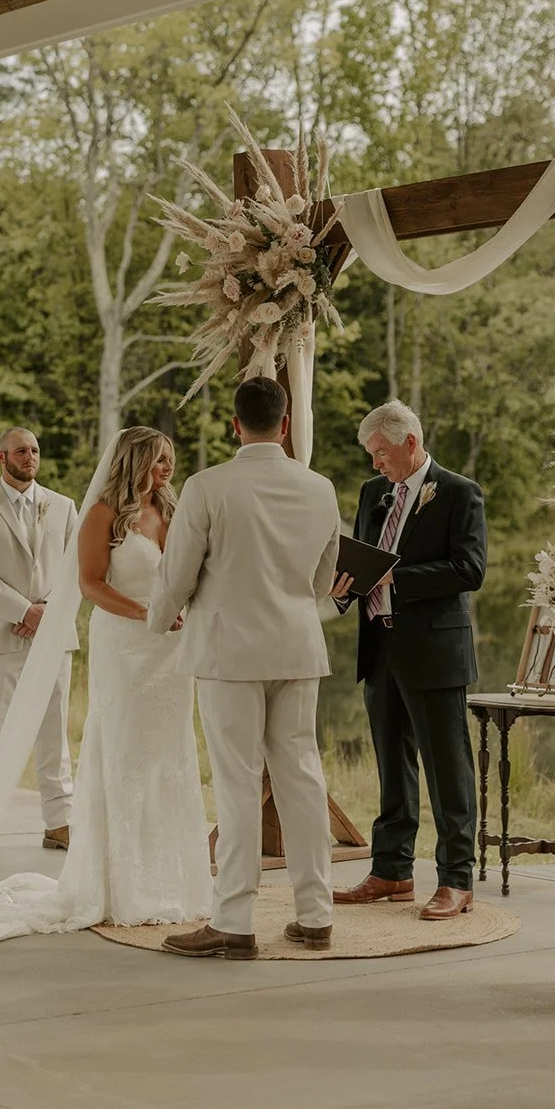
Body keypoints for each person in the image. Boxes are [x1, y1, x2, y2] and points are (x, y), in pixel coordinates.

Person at [0, 426, 211, 943]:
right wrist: (149, 615)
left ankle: (172, 879)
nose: (167, 468)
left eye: (170, 458)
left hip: (172, 653)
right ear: (134, 461)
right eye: (158, 459)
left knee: (170, 756)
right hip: (127, 645)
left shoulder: (173, 510)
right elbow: (91, 583)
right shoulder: (102, 514)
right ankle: (118, 881)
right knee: (124, 754)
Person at [148, 377, 341, 960]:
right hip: (298, 647)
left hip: (230, 651)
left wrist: (158, 620)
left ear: (235, 425)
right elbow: (324, 580)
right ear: (284, 425)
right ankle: (315, 914)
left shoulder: (208, 486)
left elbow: (177, 574)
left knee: (236, 783)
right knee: (302, 778)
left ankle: (233, 920)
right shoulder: (320, 488)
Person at [333, 400, 485, 920]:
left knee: (448, 770)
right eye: (371, 455)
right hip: (380, 647)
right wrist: (340, 588)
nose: (375, 464)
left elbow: (469, 569)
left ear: (410, 444)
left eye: (380, 454)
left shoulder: (460, 492)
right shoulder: (373, 493)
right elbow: (361, 558)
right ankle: (392, 871)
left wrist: (397, 576)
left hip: (435, 650)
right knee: (392, 769)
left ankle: (456, 879)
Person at [0, 428, 78, 857]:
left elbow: (76, 567)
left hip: (54, 636)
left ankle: (59, 822)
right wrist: (24, 611)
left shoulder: (63, 506)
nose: (29, 458)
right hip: (0, 637)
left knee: (54, 732)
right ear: (0, 456)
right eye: (20, 451)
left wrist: (45, 611)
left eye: (34, 451)